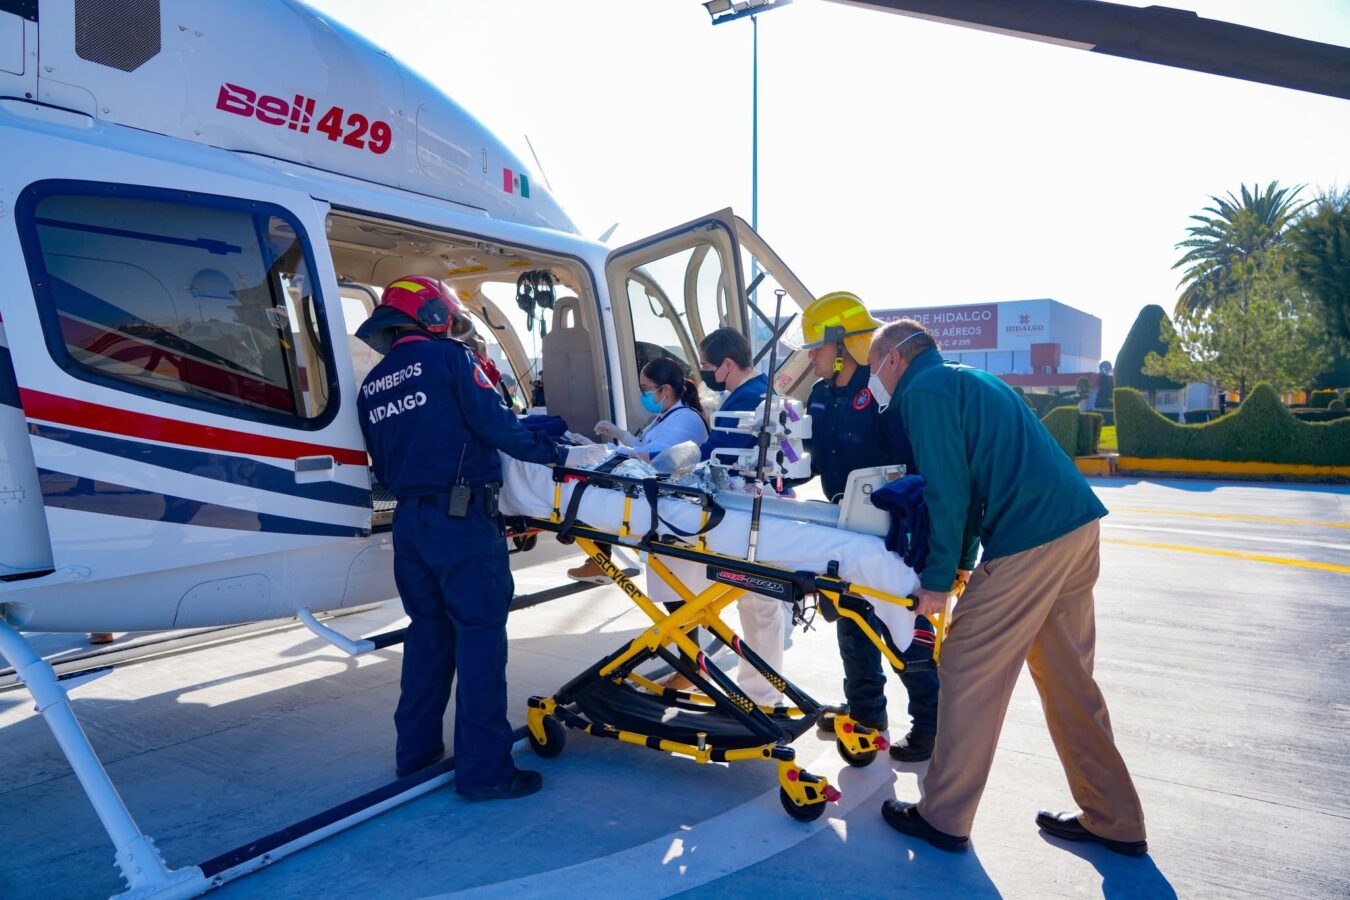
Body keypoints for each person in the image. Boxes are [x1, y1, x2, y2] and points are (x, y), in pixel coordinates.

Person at [866, 318, 1146, 856]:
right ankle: (1116, 819)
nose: (871, 377)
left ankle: (943, 816)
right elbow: (971, 488)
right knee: (1069, 680)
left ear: (895, 358)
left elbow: (946, 489)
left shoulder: (923, 389)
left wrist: (936, 581)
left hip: (1031, 535)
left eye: (873, 364)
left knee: (967, 665)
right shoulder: (966, 379)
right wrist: (964, 562)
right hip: (1077, 526)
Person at [355, 275, 566, 802]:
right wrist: (556, 453)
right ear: (434, 316)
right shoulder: (449, 359)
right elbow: (496, 426)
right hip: (462, 521)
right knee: (479, 639)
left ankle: (416, 752)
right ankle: (486, 772)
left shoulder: (371, 386)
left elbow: (385, 462)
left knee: (427, 635)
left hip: (411, 526)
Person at [795, 292, 943, 763]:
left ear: (839, 345)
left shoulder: (881, 388)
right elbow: (809, 461)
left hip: (891, 530)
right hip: (844, 525)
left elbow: (913, 463)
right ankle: (866, 714)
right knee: (852, 623)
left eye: (815, 349)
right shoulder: (819, 395)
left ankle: (932, 725)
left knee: (902, 625)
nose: (811, 359)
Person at [644, 327, 785, 704]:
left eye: (707, 366)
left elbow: (716, 457)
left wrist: (672, 468)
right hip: (760, 507)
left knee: (756, 606)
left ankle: (760, 697)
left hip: (745, 512)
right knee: (758, 608)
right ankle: (761, 693)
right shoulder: (762, 392)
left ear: (727, 364)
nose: (704, 373)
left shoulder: (745, 401)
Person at [568, 357, 710, 583]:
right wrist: (618, 435)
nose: (643, 394)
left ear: (665, 389)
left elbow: (654, 458)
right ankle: (598, 559)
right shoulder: (669, 414)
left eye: (646, 389)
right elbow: (645, 447)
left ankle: (599, 558)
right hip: (656, 487)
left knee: (594, 489)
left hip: (667, 495)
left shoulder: (685, 420)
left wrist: (602, 450)